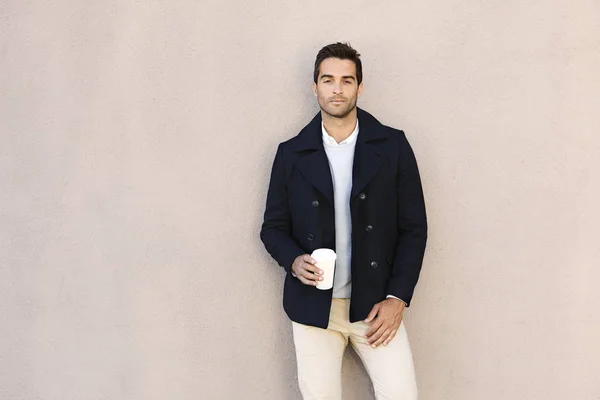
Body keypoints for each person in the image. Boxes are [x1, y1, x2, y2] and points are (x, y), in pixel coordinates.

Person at [260, 42, 428, 400]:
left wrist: (397, 298)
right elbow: (272, 227)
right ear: (315, 87)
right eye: (328, 80)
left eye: (346, 80)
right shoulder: (291, 153)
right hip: (313, 307)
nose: (337, 89)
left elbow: (414, 228)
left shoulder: (393, 146)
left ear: (359, 87)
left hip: (375, 305)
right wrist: (293, 260)